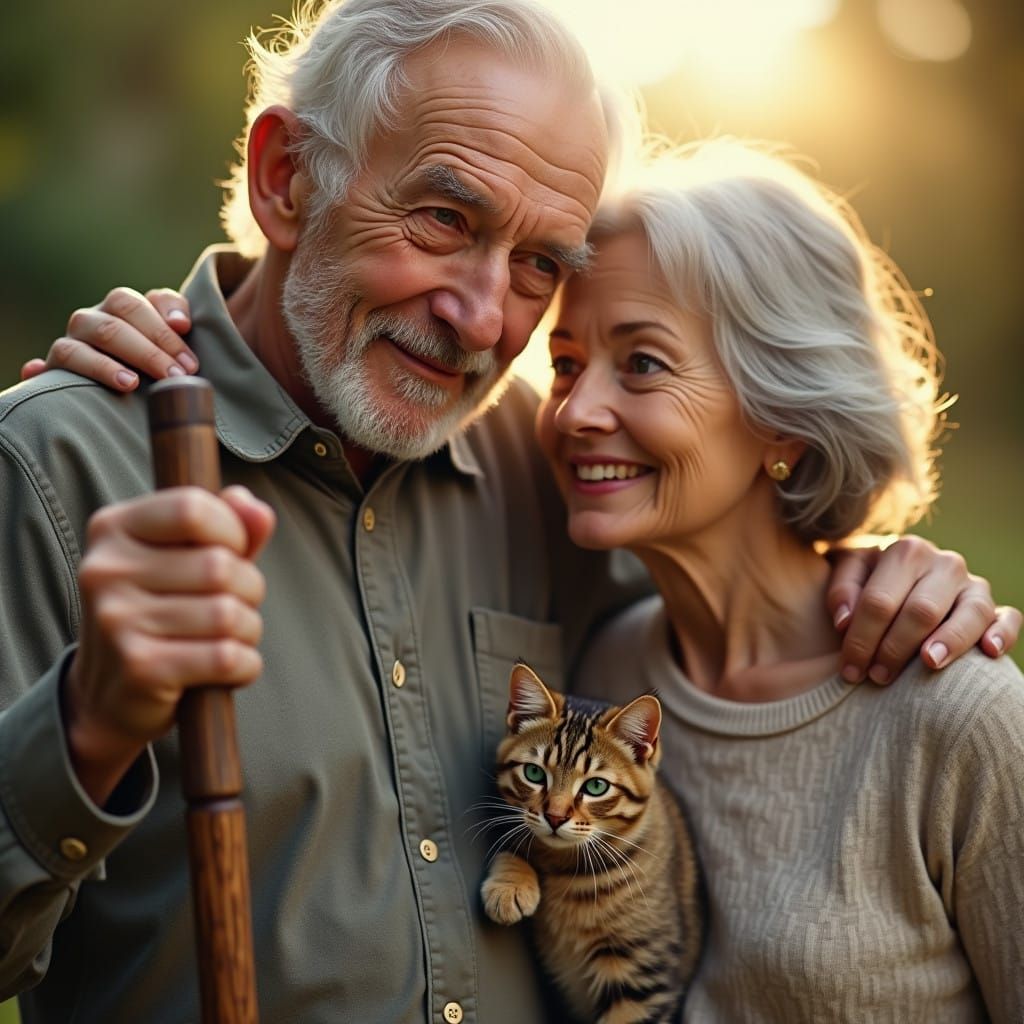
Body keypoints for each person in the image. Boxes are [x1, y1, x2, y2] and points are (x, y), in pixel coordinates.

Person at [1, 1, 1016, 1021]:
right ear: (285, 179)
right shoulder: (59, 466)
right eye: (445, 218)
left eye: (538, 263)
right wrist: (87, 729)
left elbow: (743, 570)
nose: (484, 319)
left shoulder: (544, 468)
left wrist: (874, 561)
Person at [532, 139, 1023, 1021]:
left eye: (642, 362)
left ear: (782, 420)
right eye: (565, 363)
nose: (576, 410)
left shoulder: (960, 717)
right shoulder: (602, 677)